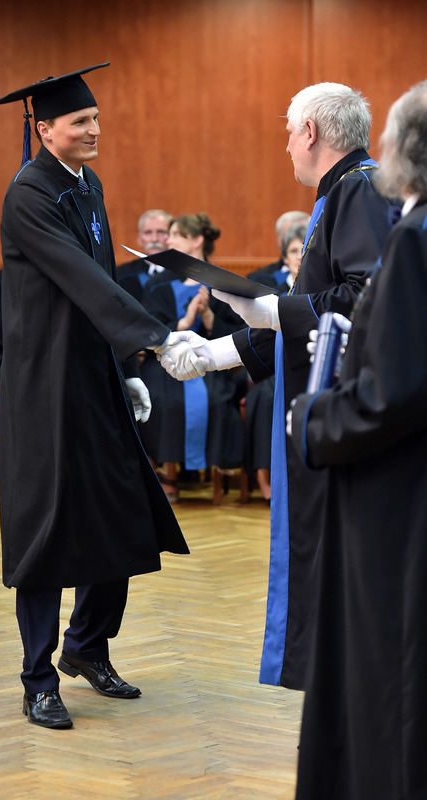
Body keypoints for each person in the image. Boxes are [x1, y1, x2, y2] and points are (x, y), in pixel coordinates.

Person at [161, 83, 397, 690]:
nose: (287, 145)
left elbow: (364, 297)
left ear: (311, 132)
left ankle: (335, 674)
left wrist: (271, 309)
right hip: (318, 399)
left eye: (289, 132)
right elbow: (304, 315)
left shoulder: (358, 189)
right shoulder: (343, 191)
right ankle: (327, 672)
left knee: (329, 544)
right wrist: (212, 355)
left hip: (335, 407)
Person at [0, 63, 204, 730]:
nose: (94, 129)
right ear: (44, 130)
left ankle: (86, 646)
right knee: (45, 530)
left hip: (95, 375)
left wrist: (125, 365)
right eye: (80, 121)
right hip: (45, 386)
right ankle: (37, 679)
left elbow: (104, 278)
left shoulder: (89, 186)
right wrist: (155, 338)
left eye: (95, 118)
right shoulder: (29, 193)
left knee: (119, 511)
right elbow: (79, 278)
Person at [288, 79, 427, 800]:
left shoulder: (411, 236)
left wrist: (312, 420)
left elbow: (391, 389)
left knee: (385, 672)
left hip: (395, 493)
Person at [139, 213, 246, 501]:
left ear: (197, 240)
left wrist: (209, 316)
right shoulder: (158, 282)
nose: (168, 240)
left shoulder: (222, 281)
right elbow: (146, 327)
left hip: (212, 361)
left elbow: (240, 332)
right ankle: (168, 473)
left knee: (217, 398)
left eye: (176, 235)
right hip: (164, 360)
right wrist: (183, 323)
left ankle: (213, 469)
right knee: (164, 398)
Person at [243, 223, 307, 500]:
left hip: (304, 362)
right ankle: (263, 474)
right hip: (270, 363)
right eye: (293, 251)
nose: (299, 256)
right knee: (266, 395)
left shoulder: (317, 289)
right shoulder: (271, 290)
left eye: (304, 250)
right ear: (284, 258)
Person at [117, 209, 172, 302]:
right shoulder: (121, 275)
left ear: (171, 236)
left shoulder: (183, 274)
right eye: (148, 233)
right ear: (139, 239)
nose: (154, 239)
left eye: (161, 232)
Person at [246, 210, 310, 282]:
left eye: (304, 234)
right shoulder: (257, 280)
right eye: (290, 235)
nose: (299, 256)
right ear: (280, 240)